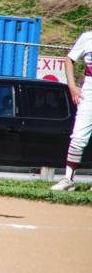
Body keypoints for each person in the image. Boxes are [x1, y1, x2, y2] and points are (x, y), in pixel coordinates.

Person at [51, 30, 92, 191]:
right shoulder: (88, 37)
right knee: (78, 136)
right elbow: (69, 59)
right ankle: (68, 179)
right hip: (89, 90)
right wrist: (72, 86)